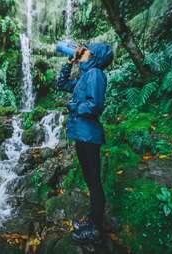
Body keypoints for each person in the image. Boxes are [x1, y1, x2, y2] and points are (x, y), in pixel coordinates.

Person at [56, 42, 113, 244]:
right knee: (91, 181)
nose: (83, 52)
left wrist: (74, 107)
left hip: (89, 136)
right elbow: (61, 84)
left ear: (95, 56)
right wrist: (69, 62)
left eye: (87, 51)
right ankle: (94, 220)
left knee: (94, 182)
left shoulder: (96, 74)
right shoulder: (85, 76)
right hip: (82, 135)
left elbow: (95, 106)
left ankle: (96, 230)